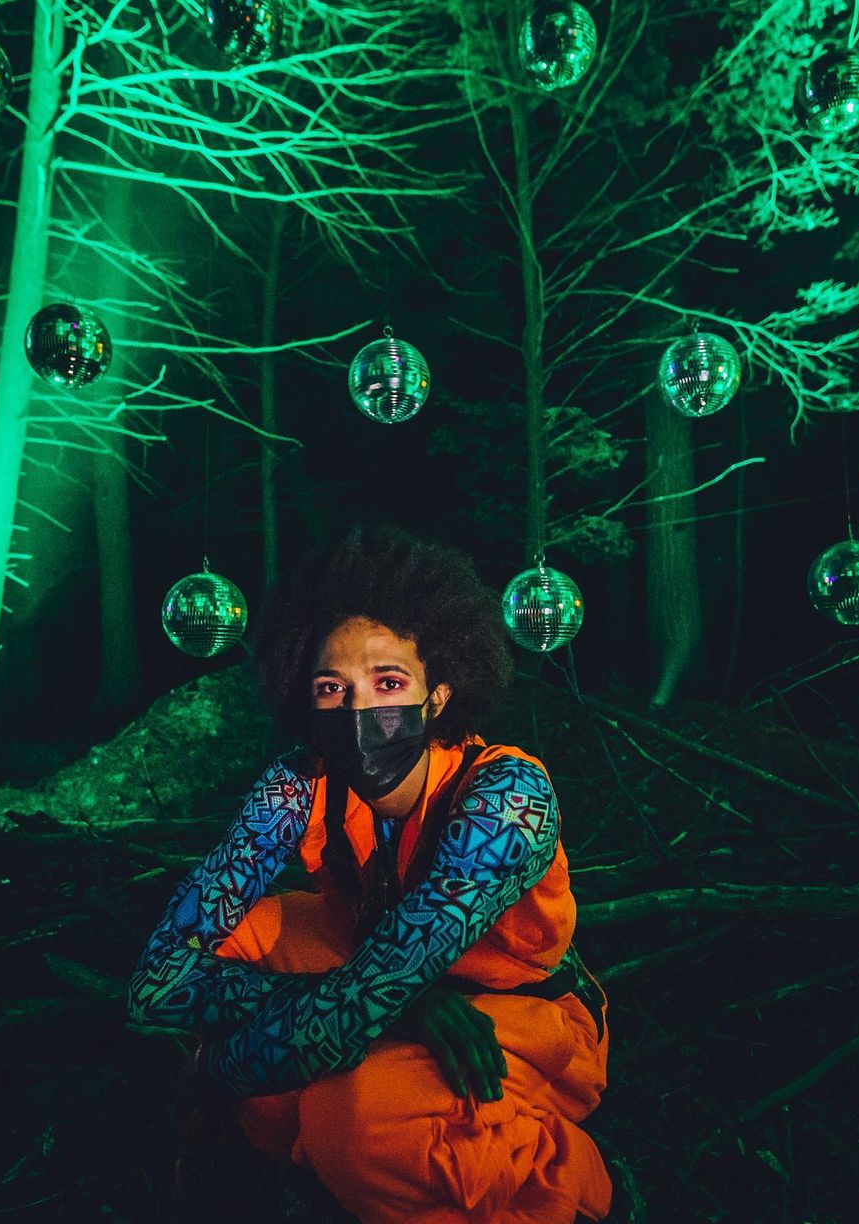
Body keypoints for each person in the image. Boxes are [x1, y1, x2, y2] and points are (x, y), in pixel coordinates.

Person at [128, 524, 612, 1224]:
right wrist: (393, 1003)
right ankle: (314, 1139)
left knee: (351, 1119)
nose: (359, 711)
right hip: (367, 967)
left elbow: (365, 1000)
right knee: (252, 938)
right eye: (332, 688)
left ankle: (569, 1183)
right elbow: (156, 985)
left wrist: (214, 1069)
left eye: (388, 682)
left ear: (438, 694)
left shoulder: (508, 797)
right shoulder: (299, 784)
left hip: (507, 1010)